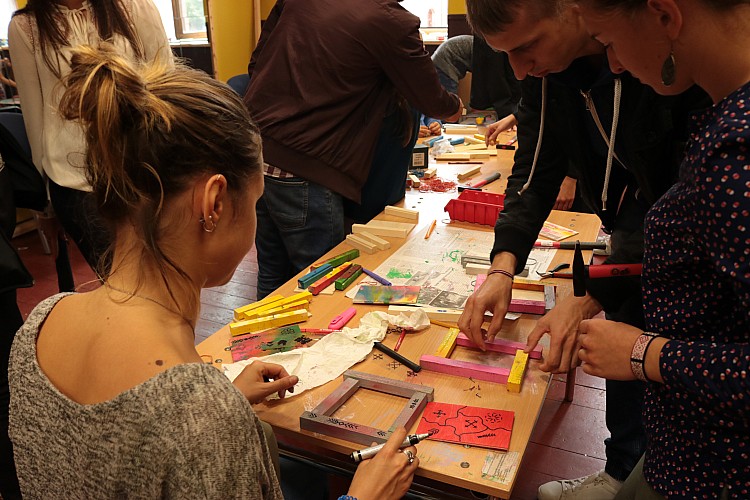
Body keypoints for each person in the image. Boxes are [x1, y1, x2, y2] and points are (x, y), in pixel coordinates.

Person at [8, 44, 420, 499]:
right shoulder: (199, 415)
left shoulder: (39, 325)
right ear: (215, 203)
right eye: (256, 201)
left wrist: (219, 410)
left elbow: (108, 458)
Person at [457, 1, 710, 499]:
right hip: (635, 232)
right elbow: (534, 169)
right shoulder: (550, 71)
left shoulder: (661, 66)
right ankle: (621, 470)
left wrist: (591, 292)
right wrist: (502, 268)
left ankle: (643, 472)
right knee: (621, 342)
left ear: (573, 10)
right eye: (505, 55)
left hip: (675, 250)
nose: (519, 70)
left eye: (527, 47)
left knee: (647, 354)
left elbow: (672, 203)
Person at [571, 0, 750, 498]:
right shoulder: (723, 116)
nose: (614, 64)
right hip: (686, 441)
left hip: (717, 470)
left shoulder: (736, 150)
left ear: (665, 16)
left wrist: (643, 353)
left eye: (610, 42)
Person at [245, 0, 463, 299]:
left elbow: (256, 64)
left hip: (255, 155)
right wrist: (455, 108)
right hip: (308, 168)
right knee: (322, 287)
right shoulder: (390, 21)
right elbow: (431, 99)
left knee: (273, 275)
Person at [8, 0, 173, 273]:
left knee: (167, 274)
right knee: (118, 281)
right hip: (74, 183)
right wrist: (46, 205)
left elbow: (168, 92)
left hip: (144, 171)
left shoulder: (136, 8)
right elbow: (35, 119)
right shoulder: (26, 27)